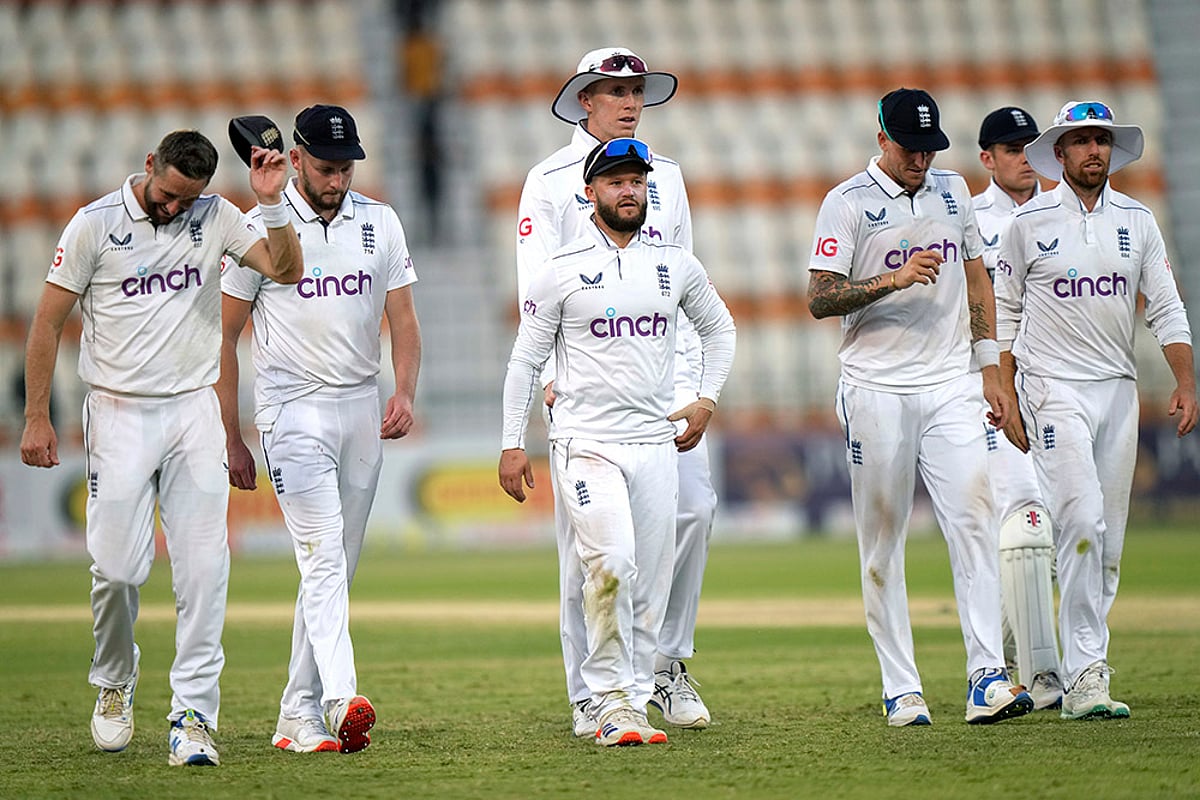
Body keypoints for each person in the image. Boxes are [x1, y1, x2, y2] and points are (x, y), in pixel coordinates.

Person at [19, 129, 304, 766]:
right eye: (168, 194)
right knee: (117, 570)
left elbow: (287, 270)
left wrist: (273, 200)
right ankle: (115, 681)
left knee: (205, 571)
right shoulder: (93, 225)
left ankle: (194, 715)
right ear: (150, 165)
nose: (175, 208)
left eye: (188, 198)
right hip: (117, 411)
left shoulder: (218, 215)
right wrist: (37, 415)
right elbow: (47, 321)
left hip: (192, 408)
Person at [807, 88, 1034, 727]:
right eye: (910, 148)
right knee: (884, 539)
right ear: (882, 137)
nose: (921, 160)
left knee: (975, 518)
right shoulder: (845, 203)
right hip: (874, 387)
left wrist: (989, 366)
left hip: (950, 384)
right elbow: (820, 299)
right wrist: (893, 279)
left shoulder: (953, 189)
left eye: (930, 148)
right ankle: (901, 687)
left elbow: (977, 276)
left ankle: (986, 676)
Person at [500, 139, 735, 746]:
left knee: (652, 582)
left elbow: (720, 328)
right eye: (615, 182)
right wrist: (511, 442)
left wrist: (707, 397)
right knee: (610, 566)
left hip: (653, 444)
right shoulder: (563, 271)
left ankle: (631, 700)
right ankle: (607, 700)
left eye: (637, 182)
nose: (628, 191)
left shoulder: (675, 265)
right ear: (590, 193)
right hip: (587, 443)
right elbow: (525, 360)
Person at [217, 104, 421, 754]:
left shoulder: (379, 221)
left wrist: (405, 391)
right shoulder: (256, 229)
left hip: (360, 405)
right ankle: (339, 697)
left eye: (346, 169)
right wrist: (232, 434)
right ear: (296, 159)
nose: (338, 181)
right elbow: (223, 335)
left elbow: (404, 321)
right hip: (291, 408)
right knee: (322, 554)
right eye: (328, 169)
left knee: (334, 567)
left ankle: (294, 716)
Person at [995, 100, 1197, 720]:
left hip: (1117, 388)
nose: (1093, 152)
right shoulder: (1027, 224)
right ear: (1058, 153)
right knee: (1080, 520)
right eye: (1081, 141)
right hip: (1053, 386)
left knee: (1105, 540)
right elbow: (1002, 315)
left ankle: (1052, 650)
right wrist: (1002, 391)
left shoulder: (1138, 221)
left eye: (1102, 141)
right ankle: (1085, 671)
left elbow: (1164, 304)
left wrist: (1186, 380)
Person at [973, 106, 1063, 711]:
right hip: (990, 392)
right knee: (1023, 521)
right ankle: (1039, 676)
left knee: (1058, 534)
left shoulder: (1062, 212)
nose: (1024, 157)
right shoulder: (967, 217)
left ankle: (1004, 661)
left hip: (1054, 386)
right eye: (1011, 149)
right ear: (987, 158)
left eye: (1031, 146)